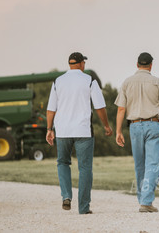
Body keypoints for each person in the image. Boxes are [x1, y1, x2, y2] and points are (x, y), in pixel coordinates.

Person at [46, 52, 113, 215]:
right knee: (84, 168)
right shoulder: (89, 80)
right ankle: (83, 208)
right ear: (82, 64)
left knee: (62, 163)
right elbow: (99, 107)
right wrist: (106, 125)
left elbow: (51, 109)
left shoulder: (58, 81)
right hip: (83, 130)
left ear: (70, 64)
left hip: (62, 130)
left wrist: (49, 129)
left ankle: (66, 196)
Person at [115, 52, 159, 213]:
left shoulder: (127, 82)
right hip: (153, 124)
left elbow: (121, 108)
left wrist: (118, 131)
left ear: (137, 64)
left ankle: (143, 199)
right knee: (152, 164)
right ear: (151, 65)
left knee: (139, 165)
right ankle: (146, 201)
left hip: (134, 126)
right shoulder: (157, 82)